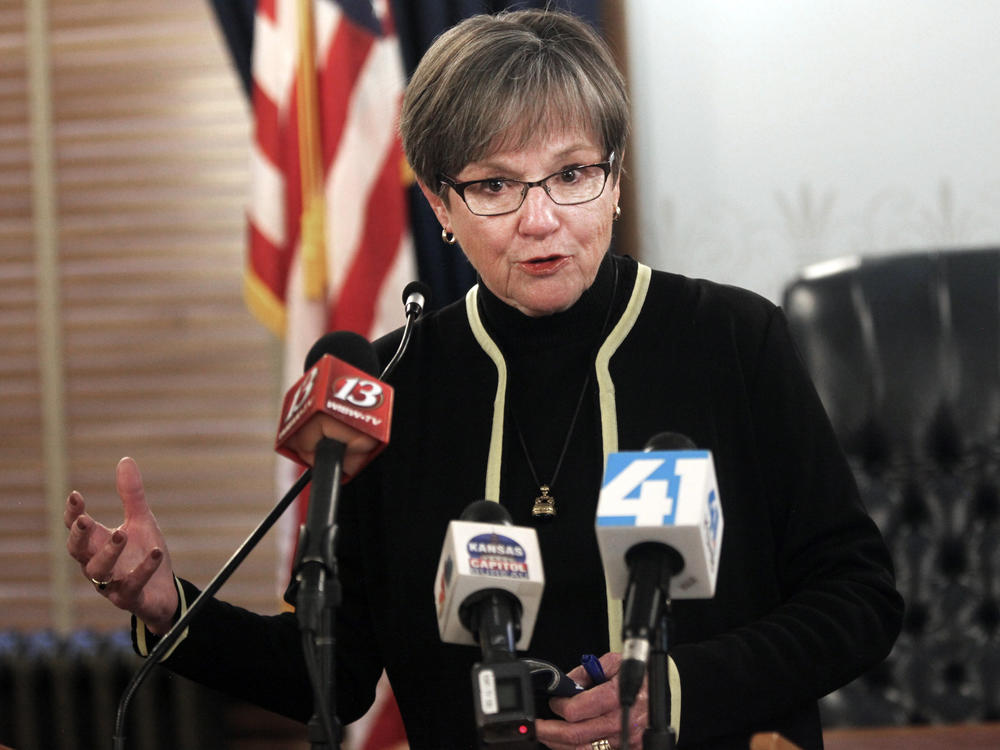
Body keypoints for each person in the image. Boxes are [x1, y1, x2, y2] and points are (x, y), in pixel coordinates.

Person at [64, 9, 903, 750]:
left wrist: (681, 691)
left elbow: (858, 599)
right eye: (495, 185)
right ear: (439, 204)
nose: (541, 220)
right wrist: (169, 606)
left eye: (573, 174)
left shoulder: (731, 338)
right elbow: (332, 671)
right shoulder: (393, 385)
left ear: (615, 179)